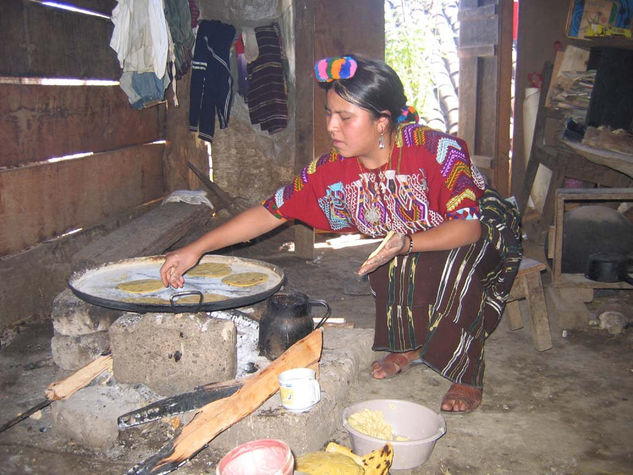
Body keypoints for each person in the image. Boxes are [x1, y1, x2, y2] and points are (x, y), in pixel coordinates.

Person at [160, 54, 522, 413]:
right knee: (388, 264)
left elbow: (469, 228)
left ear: (382, 122)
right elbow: (271, 212)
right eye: (329, 113)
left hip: (483, 226)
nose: (332, 126)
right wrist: (197, 248)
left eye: (345, 117)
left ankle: (465, 372)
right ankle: (411, 347)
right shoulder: (332, 170)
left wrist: (407, 243)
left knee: (447, 264)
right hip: (413, 233)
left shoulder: (436, 150)